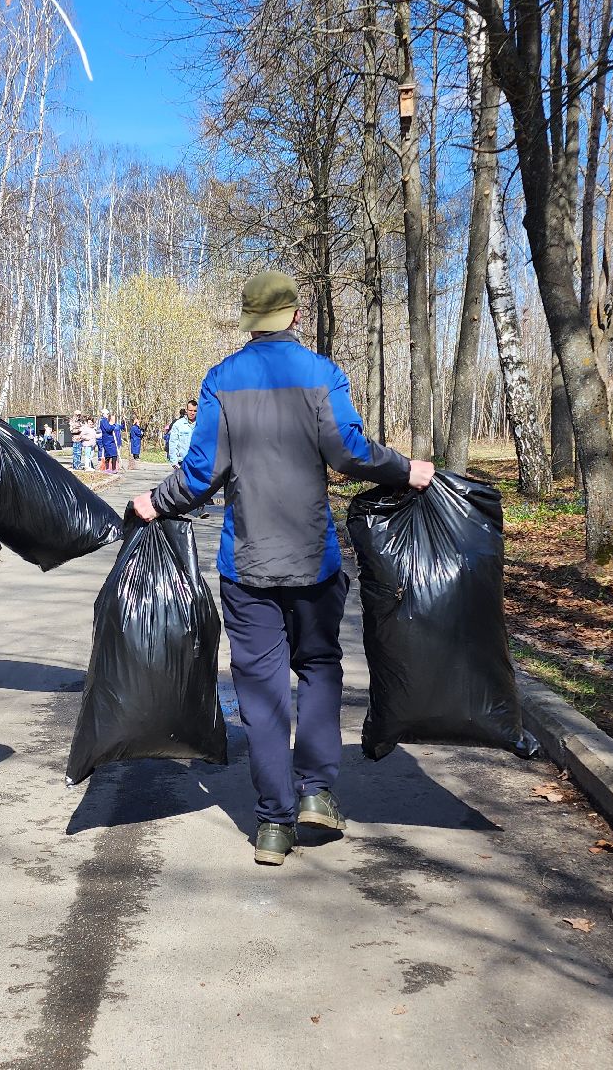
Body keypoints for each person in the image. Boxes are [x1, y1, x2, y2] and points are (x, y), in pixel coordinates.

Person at [131, 271, 432, 867]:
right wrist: (404, 470)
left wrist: (153, 503)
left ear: (249, 321)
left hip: (246, 565)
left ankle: (272, 825)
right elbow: (348, 451)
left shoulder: (221, 380)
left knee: (261, 691)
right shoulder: (323, 375)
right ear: (294, 316)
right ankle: (316, 789)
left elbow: (199, 473)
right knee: (319, 667)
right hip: (312, 559)